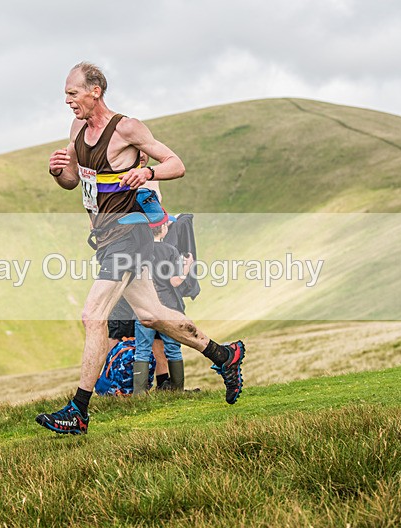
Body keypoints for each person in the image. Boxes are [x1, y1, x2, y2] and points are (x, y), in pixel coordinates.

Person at [35, 62, 245, 435]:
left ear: (95, 91)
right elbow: (73, 181)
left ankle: (78, 411)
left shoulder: (126, 128)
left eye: (72, 93)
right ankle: (225, 355)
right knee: (151, 314)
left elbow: (176, 164)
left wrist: (147, 173)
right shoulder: (77, 130)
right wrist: (57, 172)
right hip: (106, 238)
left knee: (93, 315)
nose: (67, 100)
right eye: (66, 94)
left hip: (130, 235)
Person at [132, 220, 193, 395]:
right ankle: (177, 390)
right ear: (163, 229)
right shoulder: (170, 251)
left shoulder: (138, 252)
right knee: (173, 349)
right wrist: (186, 268)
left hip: (144, 307)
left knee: (142, 350)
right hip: (168, 308)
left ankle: (139, 394)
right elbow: (174, 281)